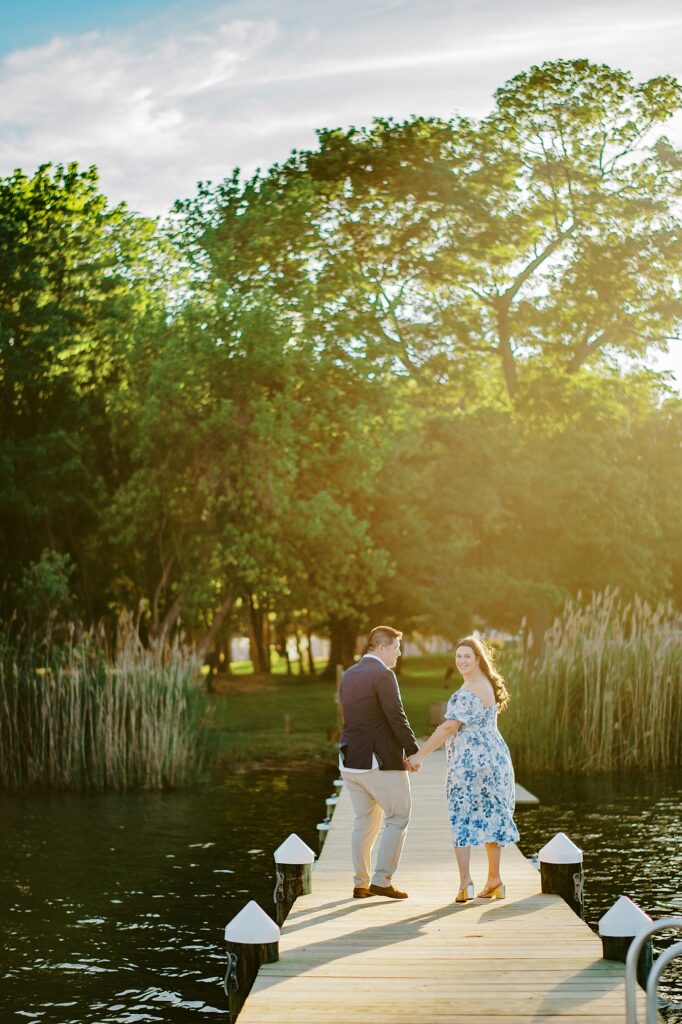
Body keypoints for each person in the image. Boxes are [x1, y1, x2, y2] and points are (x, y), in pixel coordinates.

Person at [406, 635, 518, 902]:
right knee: (492, 815)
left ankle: (465, 882)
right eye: (458, 656)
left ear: (478, 659)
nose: (462, 661)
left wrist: (419, 755)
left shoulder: (467, 692)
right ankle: (494, 879)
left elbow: (448, 728)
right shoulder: (486, 685)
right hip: (495, 759)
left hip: (470, 763)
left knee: (462, 816)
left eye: (467, 656)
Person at [338, 625, 421, 900]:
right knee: (398, 816)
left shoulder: (349, 674)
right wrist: (413, 752)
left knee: (364, 822)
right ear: (382, 647)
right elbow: (396, 717)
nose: (399, 653)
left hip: (350, 760)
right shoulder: (383, 675)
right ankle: (382, 880)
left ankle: (361, 883)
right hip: (377, 761)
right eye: (397, 647)